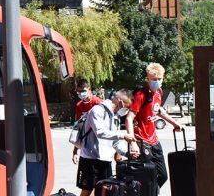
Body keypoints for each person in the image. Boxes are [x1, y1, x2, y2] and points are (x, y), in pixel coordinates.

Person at [127, 62, 184, 190]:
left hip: (154, 140)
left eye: (159, 79)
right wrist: (133, 143)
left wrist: (174, 123)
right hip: (142, 141)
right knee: (147, 176)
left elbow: (159, 111)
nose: (156, 82)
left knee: (162, 175)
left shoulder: (159, 92)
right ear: (148, 79)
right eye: (153, 79)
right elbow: (129, 118)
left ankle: (151, 192)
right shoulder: (141, 95)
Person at [74, 89, 134, 196]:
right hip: (90, 159)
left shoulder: (116, 117)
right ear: (120, 102)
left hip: (106, 160)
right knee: (87, 191)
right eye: (127, 107)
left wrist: (128, 153)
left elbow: (115, 142)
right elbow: (100, 132)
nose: (127, 111)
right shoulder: (97, 110)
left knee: (104, 191)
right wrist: (123, 135)